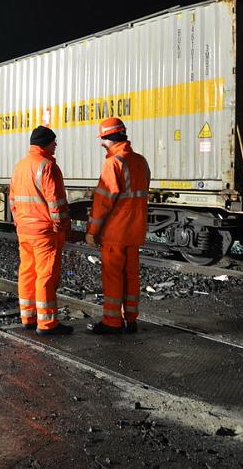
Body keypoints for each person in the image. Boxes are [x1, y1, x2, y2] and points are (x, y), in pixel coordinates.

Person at [85, 118, 151, 335]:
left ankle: (112, 322)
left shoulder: (113, 163)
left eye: (102, 139)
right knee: (131, 276)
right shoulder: (141, 161)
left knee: (113, 277)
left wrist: (92, 232)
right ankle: (131, 319)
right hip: (135, 231)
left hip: (116, 232)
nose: (101, 144)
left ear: (107, 139)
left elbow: (103, 202)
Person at [8, 126, 73, 335]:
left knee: (27, 272)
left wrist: (19, 222)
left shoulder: (20, 166)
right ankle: (47, 324)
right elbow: (56, 202)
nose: (56, 145)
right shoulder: (47, 166)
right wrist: (61, 227)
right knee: (45, 276)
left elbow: (12, 200)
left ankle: (28, 317)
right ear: (46, 143)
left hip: (25, 230)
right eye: (54, 142)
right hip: (44, 232)